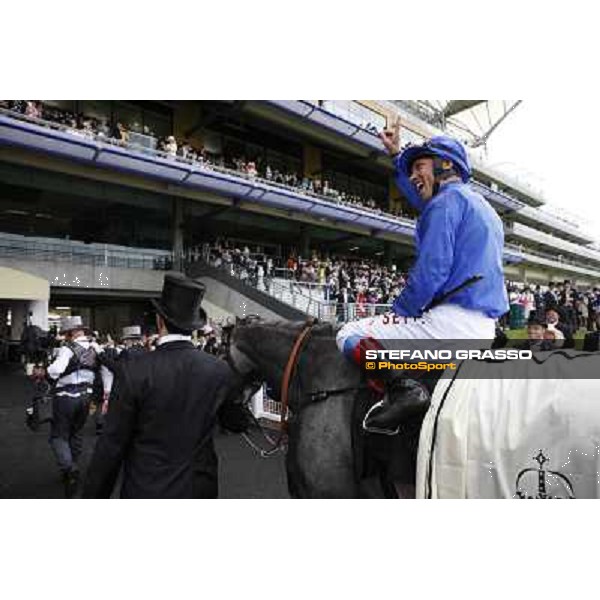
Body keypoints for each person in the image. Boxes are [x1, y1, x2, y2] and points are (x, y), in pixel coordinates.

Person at [336, 118, 509, 417]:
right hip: (484, 330)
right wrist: (396, 155)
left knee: (348, 333)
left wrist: (399, 312)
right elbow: (423, 194)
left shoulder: (444, 204)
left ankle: (401, 389)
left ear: (445, 165)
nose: (414, 175)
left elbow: (431, 273)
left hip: (450, 326)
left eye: (420, 167)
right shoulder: (482, 207)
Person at [83, 273, 233, 498]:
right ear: (193, 326)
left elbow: (111, 445)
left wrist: (94, 496)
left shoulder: (134, 369)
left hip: (147, 488)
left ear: (160, 321)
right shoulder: (218, 369)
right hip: (200, 489)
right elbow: (234, 420)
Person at [43, 316, 113, 497]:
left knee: (58, 435)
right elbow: (106, 372)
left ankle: (69, 467)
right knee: (77, 433)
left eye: (66, 333)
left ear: (71, 333)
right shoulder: (96, 348)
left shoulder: (67, 349)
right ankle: (71, 468)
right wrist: (106, 393)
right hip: (86, 397)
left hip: (65, 397)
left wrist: (48, 369)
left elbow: (56, 370)